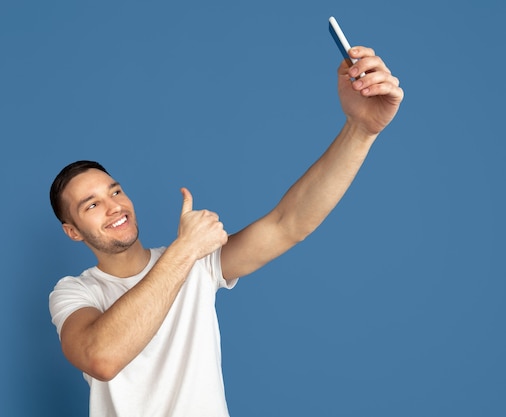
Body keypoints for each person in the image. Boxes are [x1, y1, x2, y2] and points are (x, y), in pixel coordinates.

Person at [48, 46, 403, 417]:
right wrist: (184, 250)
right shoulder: (76, 292)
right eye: (91, 205)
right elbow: (101, 358)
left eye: (115, 191)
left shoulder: (198, 262)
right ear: (73, 232)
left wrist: (360, 131)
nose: (114, 206)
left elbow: (289, 224)